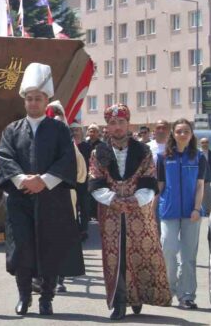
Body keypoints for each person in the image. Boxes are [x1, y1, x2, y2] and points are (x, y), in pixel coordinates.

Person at [0, 62, 84, 316]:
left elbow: (66, 160)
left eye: (38, 98)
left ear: (46, 100)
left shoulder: (59, 130)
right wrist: (23, 180)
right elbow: (5, 158)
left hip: (52, 199)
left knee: (50, 248)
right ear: (24, 101)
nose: (34, 102)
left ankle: (47, 298)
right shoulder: (11, 130)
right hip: (20, 200)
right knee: (21, 249)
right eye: (30, 98)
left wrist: (43, 181)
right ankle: (24, 296)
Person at [89, 104, 171, 320]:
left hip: (139, 212)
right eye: (112, 123)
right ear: (107, 126)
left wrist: (136, 199)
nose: (117, 127)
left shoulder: (143, 151)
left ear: (128, 123)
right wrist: (113, 199)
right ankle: (119, 302)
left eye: (121, 122)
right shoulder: (99, 152)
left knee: (139, 254)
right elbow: (95, 180)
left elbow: (149, 179)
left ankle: (137, 297)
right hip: (111, 213)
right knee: (115, 257)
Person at [157, 118, 207, 310]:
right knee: (168, 250)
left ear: (191, 134)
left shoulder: (199, 157)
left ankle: (186, 296)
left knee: (188, 256)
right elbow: (160, 186)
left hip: (191, 213)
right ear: (173, 134)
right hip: (168, 211)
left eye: (186, 131)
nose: (182, 134)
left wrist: (197, 208)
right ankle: (168, 291)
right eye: (179, 131)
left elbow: (200, 186)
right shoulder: (163, 157)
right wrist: (151, 209)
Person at [46, 101, 88, 293]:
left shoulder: (70, 145)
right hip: (43, 195)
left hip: (64, 196)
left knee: (61, 238)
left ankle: (59, 277)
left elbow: (81, 174)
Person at [77, 123, 102, 231]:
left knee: (90, 199)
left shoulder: (101, 145)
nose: (92, 133)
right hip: (79, 177)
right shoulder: (82, 144)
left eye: (94, 131)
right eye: (90, 131)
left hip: (93, 176)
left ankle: (93, 217)